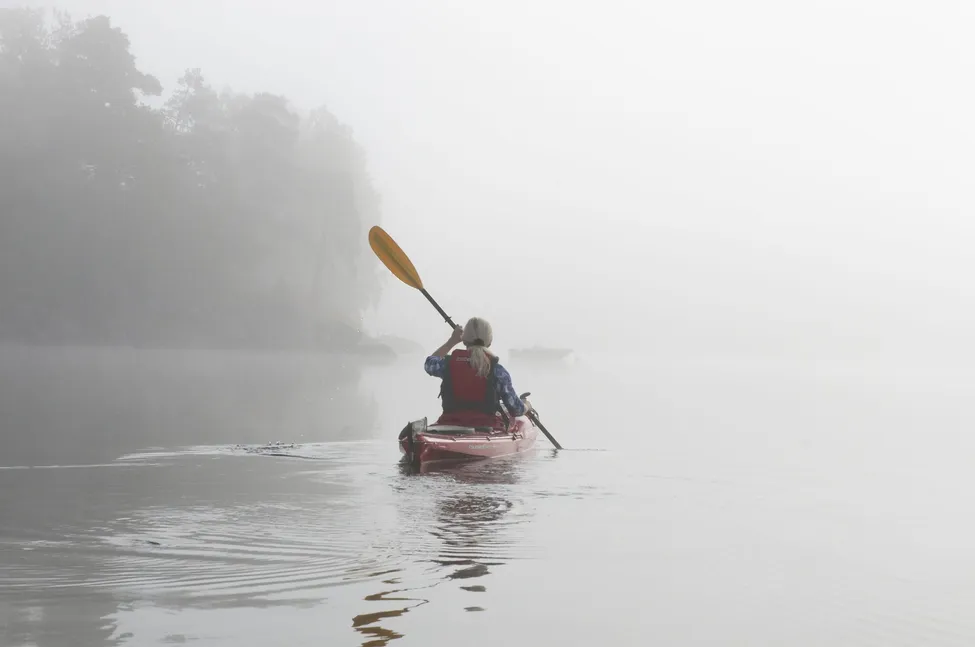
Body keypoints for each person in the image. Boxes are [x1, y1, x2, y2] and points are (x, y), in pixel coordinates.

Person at [424, 316, 533, 427]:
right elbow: (516, 409)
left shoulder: (447, 365)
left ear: (464, 340)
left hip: (449, 424)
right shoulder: (497, 371)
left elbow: (429, 364)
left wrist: (452, 341)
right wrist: (526, 405)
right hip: (485, 427)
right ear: (489, 342)